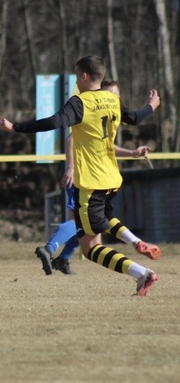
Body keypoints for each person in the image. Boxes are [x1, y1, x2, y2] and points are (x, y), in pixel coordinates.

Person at [0, 56, 161, 296]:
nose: (76, 80)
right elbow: (136, 118)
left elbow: (53, 122)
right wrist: (152, 105)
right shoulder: (112, 99)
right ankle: (136, 242)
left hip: (91, 184)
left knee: (91, 249)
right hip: (112, 180)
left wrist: (16, 127)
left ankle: (143, 273)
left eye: (76, 76)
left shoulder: (80, 103)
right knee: (104, 221)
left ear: (84, 76)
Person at [35, 79, 160, 275]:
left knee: (93, 232)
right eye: (112, 94)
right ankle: (51, 250)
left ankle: (62, 257)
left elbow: (108, 148)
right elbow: (71, 139)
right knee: (85, 227)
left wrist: (132, 153)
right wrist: (70, 168)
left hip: (98, 179)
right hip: (83, 177)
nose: (115, 98)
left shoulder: (108, 114)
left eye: (117, 95)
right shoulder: (90, 109)